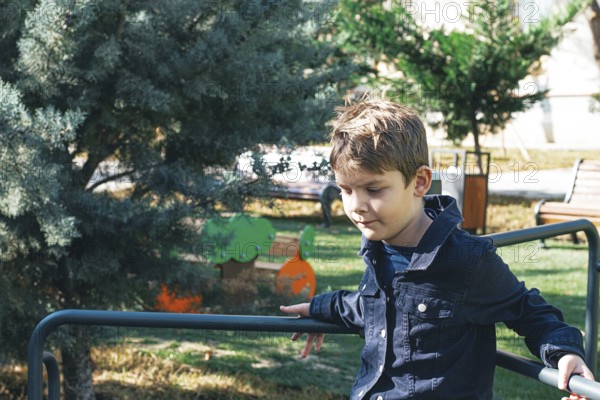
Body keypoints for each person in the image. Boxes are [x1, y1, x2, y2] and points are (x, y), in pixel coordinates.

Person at [280, 97, 595, 400]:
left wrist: (563, 352)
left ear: (419, 182)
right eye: (346, 190)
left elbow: (528, 310)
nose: (356, 206)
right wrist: (325, 308)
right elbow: (380, 308)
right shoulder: (378, 248)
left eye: (373, 189)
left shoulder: (467, 260)